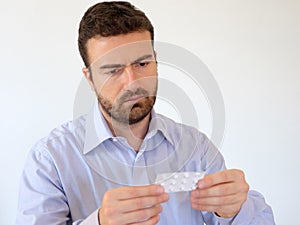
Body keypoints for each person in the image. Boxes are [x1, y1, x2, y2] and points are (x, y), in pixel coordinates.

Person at [16, 1, 275, 225]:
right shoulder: (50, 159)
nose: (132, 81)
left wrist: (235, 209)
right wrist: (100, 222)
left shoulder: (196, 149)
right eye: (113, 70)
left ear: (156, 60)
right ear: (90, 78)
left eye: (142, 63)